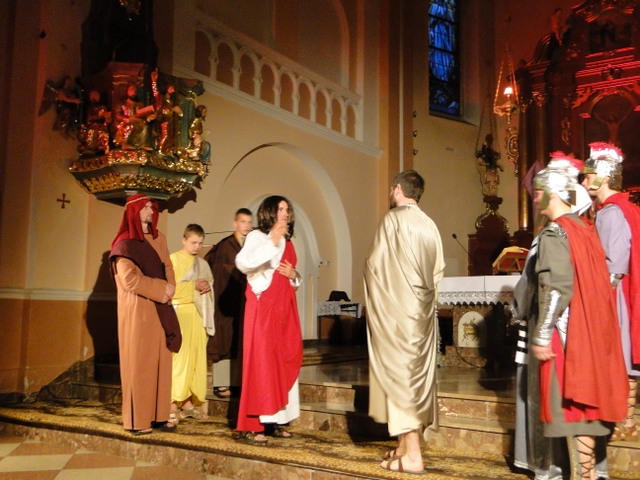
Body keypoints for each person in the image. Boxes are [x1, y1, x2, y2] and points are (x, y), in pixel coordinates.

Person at [511, 154, 628, 480]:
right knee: (585, 411)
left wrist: (541, 334)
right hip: (590, 332)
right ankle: (588, 475)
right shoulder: (583, 227)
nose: (535, 199)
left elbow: (556, 288)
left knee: (569, 410)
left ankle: (580, 475)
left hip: (567, 336)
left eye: (538, 192)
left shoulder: (554, 234)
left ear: (552, 193)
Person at [364, 170, 445, 474]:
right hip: (420, 315)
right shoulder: (429, 224)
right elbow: (437, 271)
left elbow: (376, 265)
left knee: (400, 380)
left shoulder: (392, 220)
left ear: (397, 189)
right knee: (416, 379)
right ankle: (403, 446)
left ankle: (413, 457)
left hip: (397, 314)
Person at [581, 142, 640, 442]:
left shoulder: (613, 212)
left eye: (588, 176)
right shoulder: (620, 208)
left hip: (615, 293)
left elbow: (614, 264)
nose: (584, 182)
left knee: (621, 354)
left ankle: (625, 420)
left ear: (603, 178)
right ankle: (626, 419)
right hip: (622, 291)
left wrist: (598, 301)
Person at [109, 193, 181, 435]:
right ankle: (138, 421)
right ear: (134, 211)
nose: (151, 211)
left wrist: (171, 287)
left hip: (161, 307)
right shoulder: (124, 244)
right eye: (146, 207)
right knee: (140, 365)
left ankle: (159, 415)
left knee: (161, 361)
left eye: (152, 207)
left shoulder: (160, 239)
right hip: (138, 310)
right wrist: (162, 289)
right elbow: (130, 280)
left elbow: (167, 266)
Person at [234, 196, 303, 445]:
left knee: (283, 360)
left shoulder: (288, 241)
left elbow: (293, 278)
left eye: (287, 209)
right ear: (269, 212)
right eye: (280, 209)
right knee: (262, 363)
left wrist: (294, 275)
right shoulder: (257, 237)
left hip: (285, 309)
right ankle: (253, 424)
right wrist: (272, 240)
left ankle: (276, 420)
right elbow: (243, 263)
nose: (285, 213)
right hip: (264, 308)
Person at [204, 208, 253, 399]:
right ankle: (221, 383)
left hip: (244, 302)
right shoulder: (226, 246)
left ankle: (239, 383)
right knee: (224, 340)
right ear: (235, 223)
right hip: (226, 302)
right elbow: (218, 271)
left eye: (249, 222)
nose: (246, 226)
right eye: (243, 222)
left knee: (240, 341)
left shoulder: (251, 245)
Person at [170, 224, 214, 422]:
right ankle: (172, 403)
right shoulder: (173, 260)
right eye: (193, 242)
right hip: (181, 314)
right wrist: (192, 286)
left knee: (195, 360)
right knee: (180, 360)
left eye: (200, 243)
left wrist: (207, 287)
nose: (197, 246)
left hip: (198, 315)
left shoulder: (203, 264)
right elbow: (170, 288)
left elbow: (210, 285)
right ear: (184, 240)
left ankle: (187, 402)